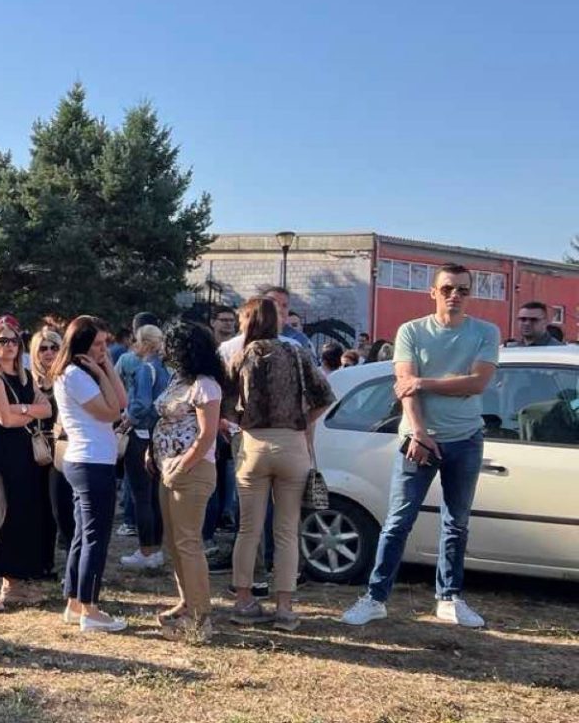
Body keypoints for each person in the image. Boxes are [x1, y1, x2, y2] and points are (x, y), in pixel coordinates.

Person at [341, 264, 500, 629]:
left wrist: (423, 383)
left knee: (456, 523)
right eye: (447, 289)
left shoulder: (485, 332)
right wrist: (419, 432)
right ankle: (375, 598)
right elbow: (403, 386)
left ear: (469, 294)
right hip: (418, 439)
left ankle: (449, 598)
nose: (454, 296)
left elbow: (477, 384)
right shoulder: (411, 331)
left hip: (466, 439)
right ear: (433, 292)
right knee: (398, 521)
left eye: (462, 289)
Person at [228, 297, 334, 631]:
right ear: (277, 320)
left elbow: (225, 405)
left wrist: (239, 421)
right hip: (292, 442)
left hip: (253, 443)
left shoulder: (240, 356)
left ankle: (243, 599)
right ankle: (285, 607)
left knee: (249, 529)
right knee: (287, 530)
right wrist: (302, 420)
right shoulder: (297, 352)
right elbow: (325, 396)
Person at [149, 322, 227, 642]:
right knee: (174, 542)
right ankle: (187, 603)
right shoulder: (178, 380)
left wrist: (184, 463)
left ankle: (199, 618)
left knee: (188, 543)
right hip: (168, 468)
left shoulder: (206, 385)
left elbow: (207, 434)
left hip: (191, 472)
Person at [55, 315, 130, 633]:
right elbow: (111, 412)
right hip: (90, 462)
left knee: (83, 536)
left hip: (90, 460)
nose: (104, 349)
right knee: (95, 539)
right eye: (98, 344)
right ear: (82, 344)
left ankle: (75, 601)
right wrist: (101, 370)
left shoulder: (81, 373)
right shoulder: (75, 375)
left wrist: (106, 366)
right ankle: (90, 608)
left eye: (105, 343)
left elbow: (122, 401)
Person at [0, 317, 54, 611]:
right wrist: (29, 412)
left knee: (24, 514)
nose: (9, 346)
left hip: (27, 452)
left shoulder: (25, 376)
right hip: (3, 453)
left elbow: (46, 408)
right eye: (2, 341)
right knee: (5, 515)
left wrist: (22, 409)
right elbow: (3, 419)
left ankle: (14, 582)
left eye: (13, 341)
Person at [121, 324, 169, 570]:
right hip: (159, 436)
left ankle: (145, 550)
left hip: (140, 436)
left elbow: (141, 404)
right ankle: (156, 549)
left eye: (137, 341)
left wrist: (126, 420)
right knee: (155, 496)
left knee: (141, 496)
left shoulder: (144, 369)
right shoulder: (164, 369)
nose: (134, 345)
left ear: (146, 344)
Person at [30, 329, 67, 577]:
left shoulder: (66, 379)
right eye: (43, 348)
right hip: (31, 449)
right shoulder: (27, 379)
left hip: (59, 450)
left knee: (58, 508)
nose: (49, 353)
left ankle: (54, 562)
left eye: (54, 347)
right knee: (34, 507)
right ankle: (40, 562)